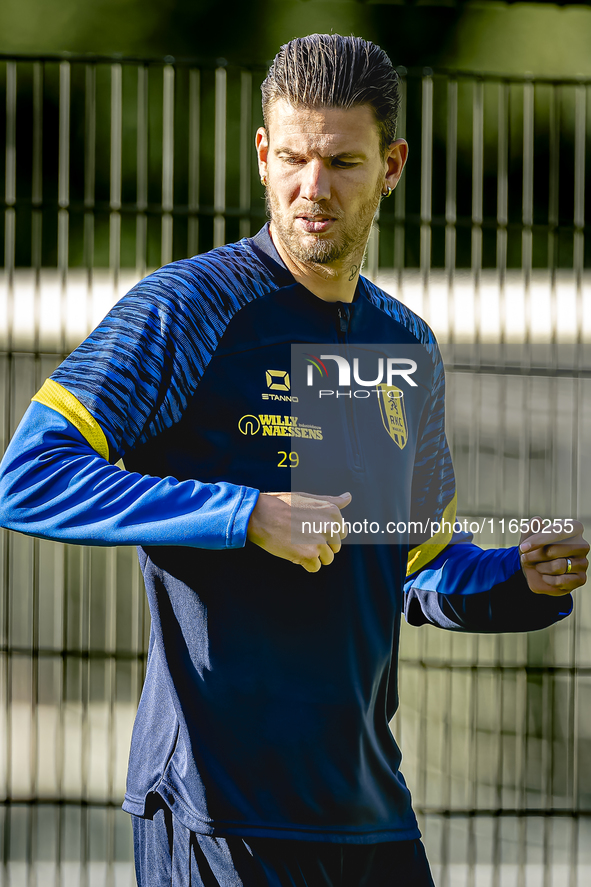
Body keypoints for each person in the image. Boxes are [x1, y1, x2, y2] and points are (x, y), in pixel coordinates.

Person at [0, 34, 588, 887]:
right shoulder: (188, 309)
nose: (312, 189)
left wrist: (518, 580)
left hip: (368, 814)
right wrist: (246, 514)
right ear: (262, 154)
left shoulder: (402, 342)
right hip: (217, 810)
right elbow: (28, 474)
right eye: (294, 158)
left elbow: (410, 566)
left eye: (342, 162)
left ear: (391, 165)